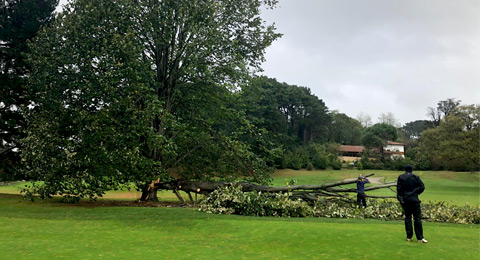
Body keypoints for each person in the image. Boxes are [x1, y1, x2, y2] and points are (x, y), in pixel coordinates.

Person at [397, 165, 428, 243]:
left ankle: (409, 236)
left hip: (406, 200)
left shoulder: (401, 177)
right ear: (411, 170)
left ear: (405, 170)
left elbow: (399, 189)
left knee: (408, 218)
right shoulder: (416, 177)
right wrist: (416, 193)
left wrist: (402, 197)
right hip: (414, 199)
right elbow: (422, 187)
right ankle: (420, 237)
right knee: (417, 218)